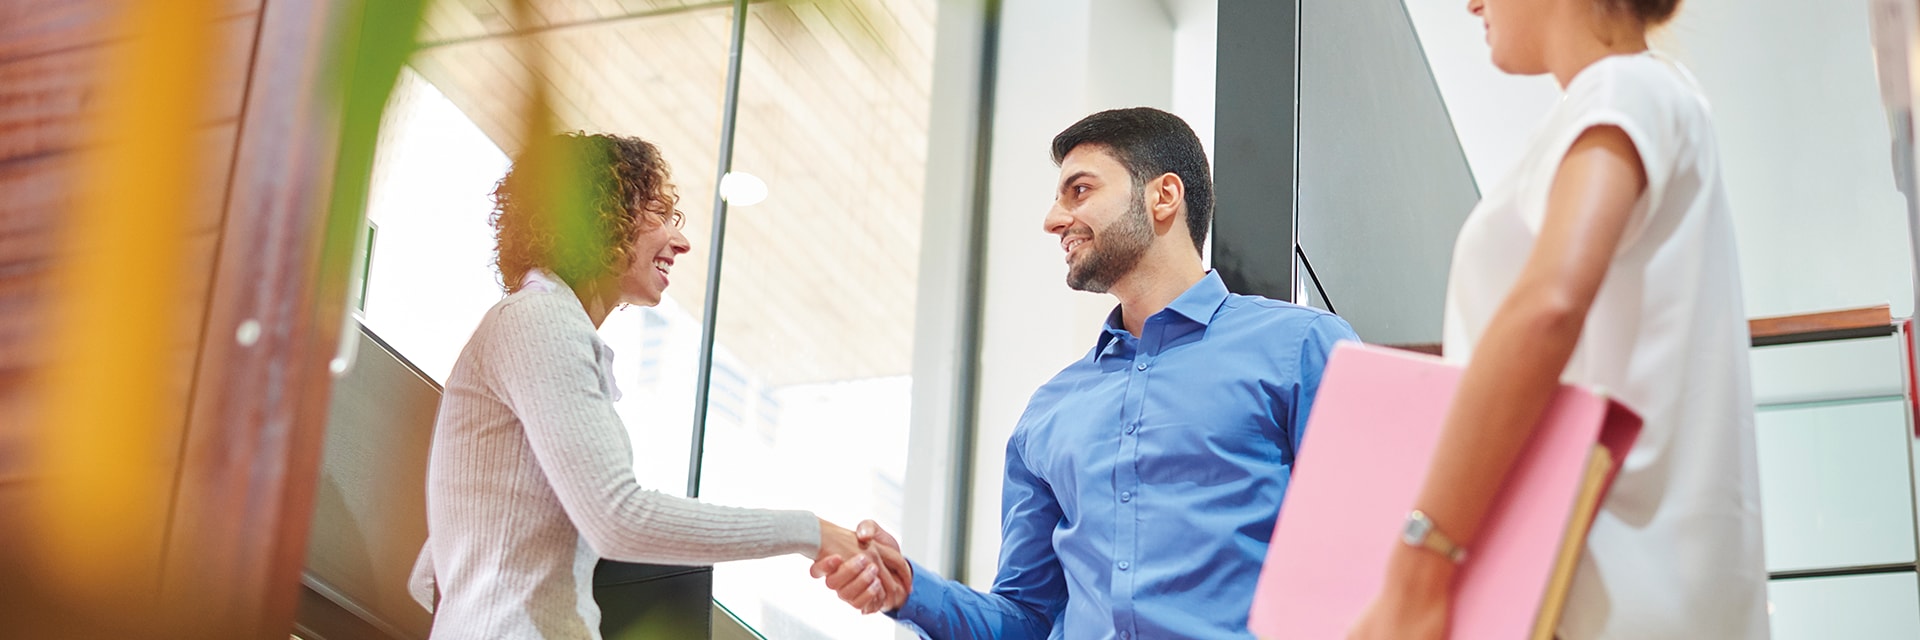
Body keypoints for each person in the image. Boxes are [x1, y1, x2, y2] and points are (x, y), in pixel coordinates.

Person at [812, 107, 1359, 639]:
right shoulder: (1050, 411)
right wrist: (910, 591)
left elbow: (1371, 560)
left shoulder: (1303, 348)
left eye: (1080, 190)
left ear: (1163, 196)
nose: (1053, 221)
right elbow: (1025, 618)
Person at [1347, 1, 1766, 639]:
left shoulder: (1625, 89)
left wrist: (1421, 562)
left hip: (1605, 596)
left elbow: (1549, 306)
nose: (1472, 4)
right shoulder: (1650, 94)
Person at [405, 132, 896, 639]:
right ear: (598, 219)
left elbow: (431, 575)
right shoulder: (541, 320)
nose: (680, 241)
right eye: (658, 214)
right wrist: (813, 533)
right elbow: (618, 517)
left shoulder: (532, 323)